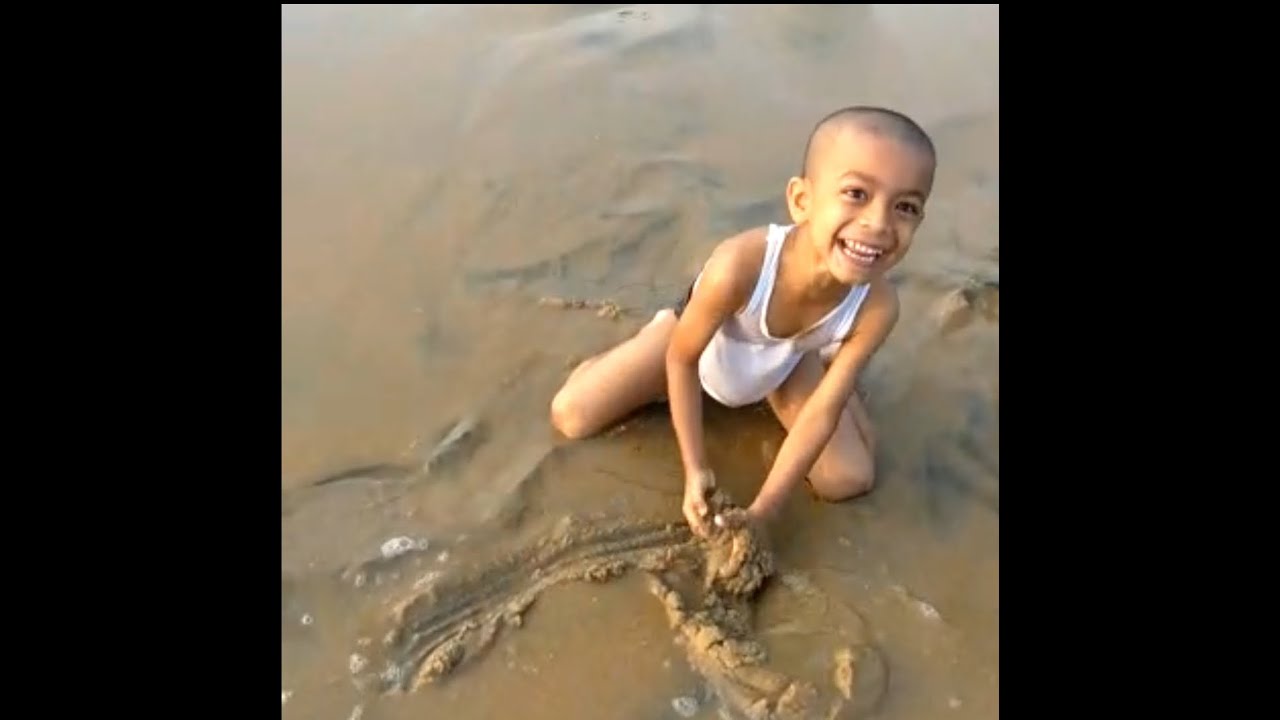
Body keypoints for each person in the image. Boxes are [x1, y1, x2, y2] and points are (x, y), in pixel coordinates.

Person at [549, 106, 936, 537]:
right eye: (856, 194)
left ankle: (831, 377)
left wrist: (763, 512)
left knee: (848, 479)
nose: (878, 223)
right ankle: (638, 347)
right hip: (697, 345)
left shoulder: (877, 307)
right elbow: (682, 360)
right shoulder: (740, 267)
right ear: (802, 200)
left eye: (905, 206)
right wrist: (695, 470)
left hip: (787, 362)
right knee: (572, 414)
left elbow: (819, 415)